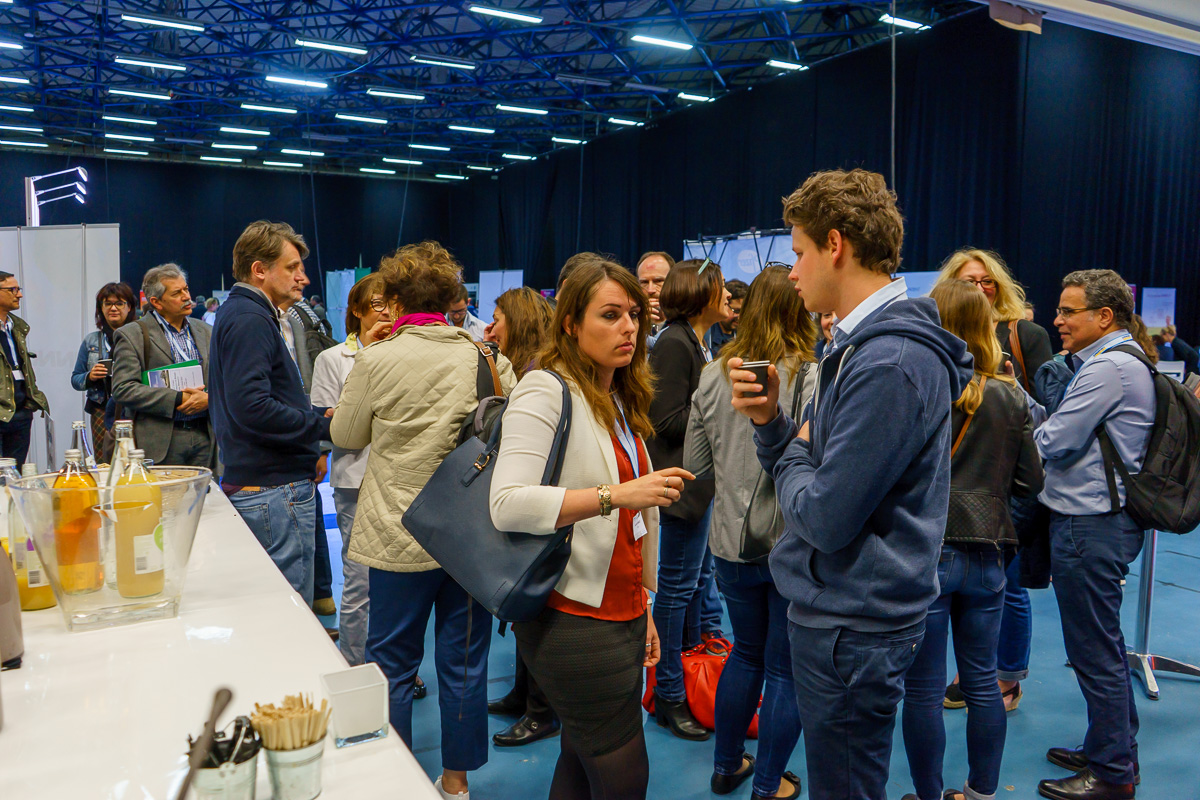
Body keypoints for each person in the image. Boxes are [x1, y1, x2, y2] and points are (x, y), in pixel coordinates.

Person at [730, 168, 972, 800]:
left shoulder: (889, 361)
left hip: (852, 625)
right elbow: (817, 475)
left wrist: (792, 451)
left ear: (834, 245)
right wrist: (776, 427)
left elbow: (823, 517)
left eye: (799, 253)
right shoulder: (864, 348)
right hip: (847, 614)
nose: (792, 272)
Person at [490, 257, 692, 800]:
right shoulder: (545, 390)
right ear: (571, 324)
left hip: (620, 607)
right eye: (610, 315)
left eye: (633, 315)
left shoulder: (616, 397)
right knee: (623, 774)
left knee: (580, 760)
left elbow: (632, 531)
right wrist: (615, 495)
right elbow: (506, 503)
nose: (629, 327)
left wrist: (643, 605)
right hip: (572, 615)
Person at [331, 241, 516, 800]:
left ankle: (397, 780)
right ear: (451, 299)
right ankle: (455, 784)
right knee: (464, 662)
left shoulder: (376, 358)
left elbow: (346, 435)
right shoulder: (487, 358)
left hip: (397, 532)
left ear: (393, 301)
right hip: (468, 538)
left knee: (390, 661)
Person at [900, 280, 1044, 800]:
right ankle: (981, 792)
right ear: (986, 326)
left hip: (926, 553)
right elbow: (1031, 483)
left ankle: (928, 794)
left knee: (922, 690)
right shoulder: (1010, 395)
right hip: (988, 554)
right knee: (983, 681)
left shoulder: (919, 388)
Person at [685, 265, 817, 800]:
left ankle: (726, 767)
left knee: (745, 654)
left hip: (728, 545)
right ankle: (768, 785)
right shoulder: (810, 375)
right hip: (791, 543)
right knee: (785, 670)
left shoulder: (713, 374)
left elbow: (696, 465)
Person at [1033, 270, 1152, 800]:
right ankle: (1114, 749)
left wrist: (1021, 424)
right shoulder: (1123, 361)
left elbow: (1055, 440)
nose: (1057, 320)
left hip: (1090, 525)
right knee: (1102, 644)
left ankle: (1111, 774)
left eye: (1068, 311)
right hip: (1102, 522)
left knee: (1094, 650)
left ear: (1104, 316)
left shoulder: (1108, 369)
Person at [936, 248, 1053, 712]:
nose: (980, 288)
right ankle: (976, 676)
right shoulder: (935, 347)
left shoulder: (1025, 335)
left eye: (987, 281)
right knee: (982, 595)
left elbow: (1045, 416)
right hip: (966, 497)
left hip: (1002, 486)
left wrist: (1008, 390)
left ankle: (1006, 677)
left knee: (1012, 588)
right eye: (969, 281)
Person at [209, 221, 332, 607]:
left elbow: (257, 399)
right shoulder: (250, 318)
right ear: (259, 270)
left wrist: (316, 412)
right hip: (274, 491)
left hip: (265, 487)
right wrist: (321, 426)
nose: (303, 278)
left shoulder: (244, 312)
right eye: (292, 267)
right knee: (288, 612)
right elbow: (252, 407)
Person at [647, 258, 731, 741]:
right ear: (701, 295)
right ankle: (670, 694)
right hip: (678, 492)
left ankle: (692, 679)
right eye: (720, 288)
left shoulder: (697, 342)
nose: (728, 296)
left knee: (695, 587)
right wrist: (719, 410)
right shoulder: (676, 344)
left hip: (695, 491)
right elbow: (664, 420)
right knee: (677, 593)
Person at [480, 285, 561, 747]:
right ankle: (524, 694)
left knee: (535, 610)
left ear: (520, 321)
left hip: (539, 507)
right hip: (531, 504)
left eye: (497, 319)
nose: (490, 328)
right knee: (524, 612)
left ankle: (541, 711)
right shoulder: (520, 368)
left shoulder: (538, 376)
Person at [310, 274, 392, 666]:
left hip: (400, 478)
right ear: (357, 310)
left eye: (393, 303)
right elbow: (327, 421)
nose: (387, 311)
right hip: (355, 479)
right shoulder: (332, 359)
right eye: (378, 304)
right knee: (359, 580)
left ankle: (395, 665)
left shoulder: (403, 353)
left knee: (398, 584)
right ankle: (355, 664)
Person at [111, 264, 216, 469]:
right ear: (156, 302)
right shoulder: (132, 334)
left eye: (186, 289)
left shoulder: (206, 331)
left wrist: (210, 398)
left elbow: (224, 380)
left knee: (206, 491)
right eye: (177, 293)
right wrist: (177, 398)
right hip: (161, 440)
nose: (187, 297)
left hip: (205, 437)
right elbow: (123, 389)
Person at [71, 282, 137, 453]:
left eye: (119, 303)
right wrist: (90, 377)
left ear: (129, 307)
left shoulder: (141, 337)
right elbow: (75, 379)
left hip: (135, 409)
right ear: (101, 308)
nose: (113, 308)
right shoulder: (91, 341)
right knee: (104, 460)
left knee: (134, 457)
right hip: (101, 410)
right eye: (108, 304)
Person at [0, 271, 49, 468]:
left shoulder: (16, 326)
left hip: (20, 412)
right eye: (12, 290)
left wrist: (30, 403)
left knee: (16, 475)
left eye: (18, 289)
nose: (19, 294)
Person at [484, 287, 554, 379]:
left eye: (496, 321)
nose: (492, 332)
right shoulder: (543, 365)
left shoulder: (534, 377)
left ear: (516, 323)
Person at [636, 251, 675, 339]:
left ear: (674, 282)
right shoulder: (630, 324)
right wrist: (639, 323)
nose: (650, 290)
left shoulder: (689, 322)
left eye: (658, 281)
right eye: (644, 282)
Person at [706, 279, 748, 352]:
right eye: (736, 311)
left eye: (744, 312)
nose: (740, 317)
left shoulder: (744, 337)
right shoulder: (707, 335)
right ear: (724, 304)